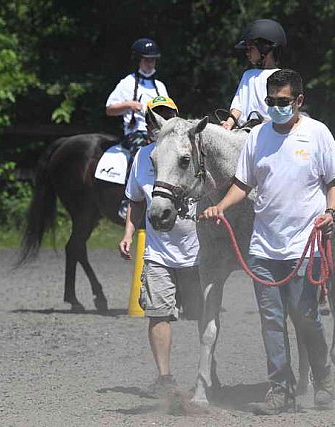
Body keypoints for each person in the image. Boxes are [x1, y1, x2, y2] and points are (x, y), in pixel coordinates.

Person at [201, 69, 335, 414]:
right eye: (271, 102)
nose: (276, 107)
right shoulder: (258, 137)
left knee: (306, 316)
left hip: (303, 247)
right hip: (264, 247)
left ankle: (323, 374)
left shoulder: (317, 134)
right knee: (271, 320)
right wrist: (219, 206)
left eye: (283, 102)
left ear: (298, 101)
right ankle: (280, 389)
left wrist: (330, 211)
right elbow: (243, 183)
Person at [118, 96, 202, 397]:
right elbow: (136, 201)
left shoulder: (193, 152)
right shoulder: (142, 157)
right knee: (158, 312)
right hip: (158, 251)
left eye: (167, 115)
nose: (160, 123)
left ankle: (207, 373)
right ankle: (165, 378)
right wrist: (128, 233)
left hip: (196, 250)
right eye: (155, 118)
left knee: (204, 314)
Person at [105, 37, 169, 219]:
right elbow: (109, 109)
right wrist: (129, 104)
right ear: (139, 60)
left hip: (158, 132)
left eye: (153, 59)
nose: (150, 63)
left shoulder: (160, 86)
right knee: (140, 152)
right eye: (146, 59)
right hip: (136, 132)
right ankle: (127, 202)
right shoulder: (127, 83)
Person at [221, 19, 286, 130]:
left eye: (251, 48)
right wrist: (229, 122)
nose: (247, 53)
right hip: (245, 130)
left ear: (265, 48)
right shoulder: (248, 75)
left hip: (269, 129)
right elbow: (238, 105)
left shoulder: (281, 77)